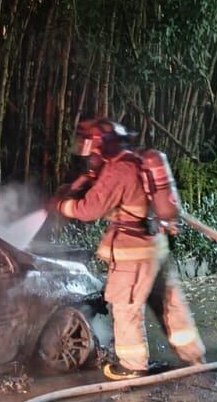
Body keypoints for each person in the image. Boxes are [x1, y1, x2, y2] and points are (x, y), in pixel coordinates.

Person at [53, 117, 205, 379]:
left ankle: (132, 366)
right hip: (155, 248)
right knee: (171, 306)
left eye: (92, 149)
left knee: (125, 308)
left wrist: (62, 205)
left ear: (101, 146)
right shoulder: (138, 162)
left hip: (132, 254)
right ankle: (195, 358)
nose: (90, 157)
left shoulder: (118, 171)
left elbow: (88, 210)